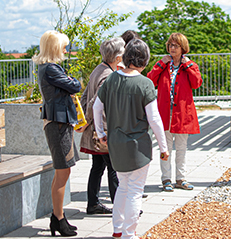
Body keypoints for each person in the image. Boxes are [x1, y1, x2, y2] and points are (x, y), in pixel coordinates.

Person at [92, 39, 169, 239]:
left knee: (123, 188)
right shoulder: (145, 83)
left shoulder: (110, 80)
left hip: (115, 144)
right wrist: (163, 147)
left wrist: (101, 133)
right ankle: (129, 233)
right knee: (135, 190)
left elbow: (96, 107)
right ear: (145, 60)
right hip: (138, 147)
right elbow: (154, 119)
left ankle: (118, 229)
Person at [33, 30, 82, 237]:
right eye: (63, 45)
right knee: (63, 171)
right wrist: (71, 82)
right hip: (58, 123)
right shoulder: (51, 69)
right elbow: (75, 85)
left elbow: (71, 86)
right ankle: (58, 219)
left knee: (64, 171)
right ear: (55, 47)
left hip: (60, 122)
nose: (66, 49)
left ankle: (58, 217)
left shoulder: (48, 68)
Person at [147, 33, 202, 192]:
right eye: (170, 45)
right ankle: (166, 179)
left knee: (181, 147)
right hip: (164, 113)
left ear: (182, 48)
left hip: (183, 114)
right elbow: (150, 81)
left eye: (175, 45)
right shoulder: (163, 65)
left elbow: (197, 83)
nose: (172, 48)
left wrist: (188, 66)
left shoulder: (190, 65)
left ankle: (181, 178)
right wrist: (159, 64)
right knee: (165, 148)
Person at [78, 37, 125, 215]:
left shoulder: (98, 69)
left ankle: (93, 203)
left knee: (97, 167)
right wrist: (87, 122)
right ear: (118, 58)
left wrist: (82, 119)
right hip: (102, 130)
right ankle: (120, 206)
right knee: (114, 169)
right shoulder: (108, 76)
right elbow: (94, 102)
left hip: (95, 129)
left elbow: (85, 96)